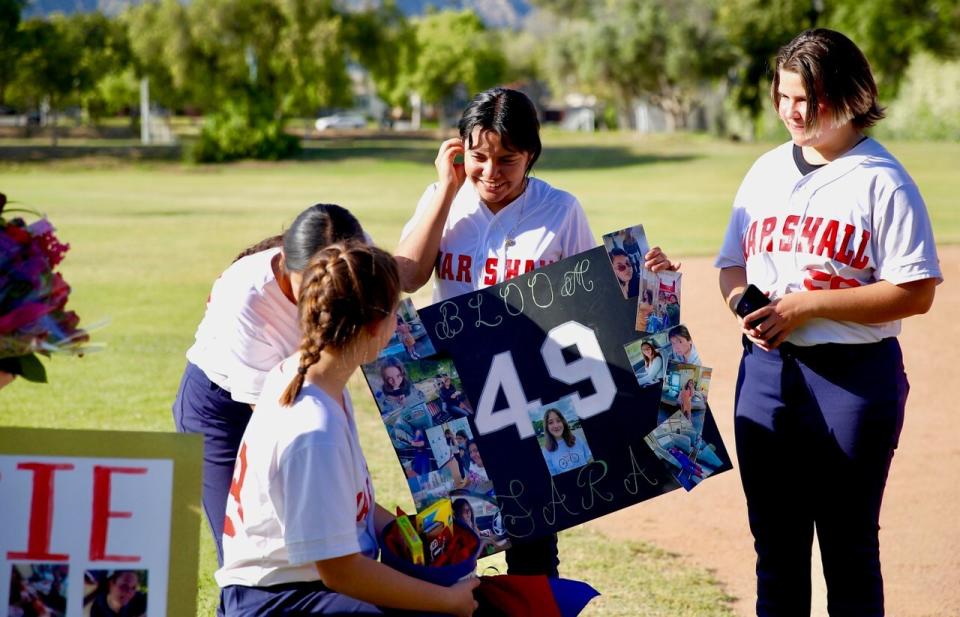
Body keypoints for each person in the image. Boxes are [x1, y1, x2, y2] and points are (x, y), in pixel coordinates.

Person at [395, 86, 676, 577]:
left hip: (537, 389)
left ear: (532, 155)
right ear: (460, 150)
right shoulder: (447, 200)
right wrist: (444, 186)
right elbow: (407, 276)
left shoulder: (560, 209)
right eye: (479, 156)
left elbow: (593, 302)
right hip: (460, 391)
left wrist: (651, 279)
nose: (491, 172)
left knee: (535, 535)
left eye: (508, 159)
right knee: (459, 534)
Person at [716, 28, 941, 616]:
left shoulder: (882, 179)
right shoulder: (764, 171)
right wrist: (746, 306)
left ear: (849, 95)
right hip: (765, 374)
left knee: (848, 550)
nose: (794, 111)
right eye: (785, 96)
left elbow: (915, 292)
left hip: (852, 380)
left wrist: (806, 306)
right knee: (777, 553)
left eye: (809, 99)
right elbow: (732, 265)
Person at [216, 242, 479, 616]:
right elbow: (339, 571)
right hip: (279, 599)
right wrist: (447, 601)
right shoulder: (312, 426)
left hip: (301, 587)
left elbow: (353, 510)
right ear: (376, 326)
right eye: (395, 311)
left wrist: (418, 536)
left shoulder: (315, 379)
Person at [172, 204, 365, 568]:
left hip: (305, 386)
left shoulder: (354, 252)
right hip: (221, 410)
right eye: (307, 283)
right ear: (285, 261)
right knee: (245, 549)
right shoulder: (247, 297)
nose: (321, 298)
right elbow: (278, 422)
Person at [540, 408, 593, 475]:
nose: (556, 425)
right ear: (546, 427)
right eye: (550, 422)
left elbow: (590, 460)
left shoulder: (577, 439)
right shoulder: (546, 452)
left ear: (563, 422)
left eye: (558, 420)